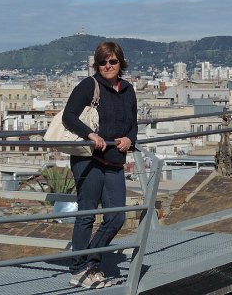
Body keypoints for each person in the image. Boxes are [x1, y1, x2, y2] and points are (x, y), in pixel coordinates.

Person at [62, 41, 137, 289]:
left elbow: (133, 124)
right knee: (87, 214)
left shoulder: (128, 90)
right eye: (103, 62)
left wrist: (130, 139)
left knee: (116, 217)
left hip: (114, 159)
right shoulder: (89, 85)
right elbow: (68, 116)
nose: (107, 66)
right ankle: (79, 270)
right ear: (97, 64)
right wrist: (90, 135)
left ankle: (89, 262)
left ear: (120, 63)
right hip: (88, 159)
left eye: (112, 61)